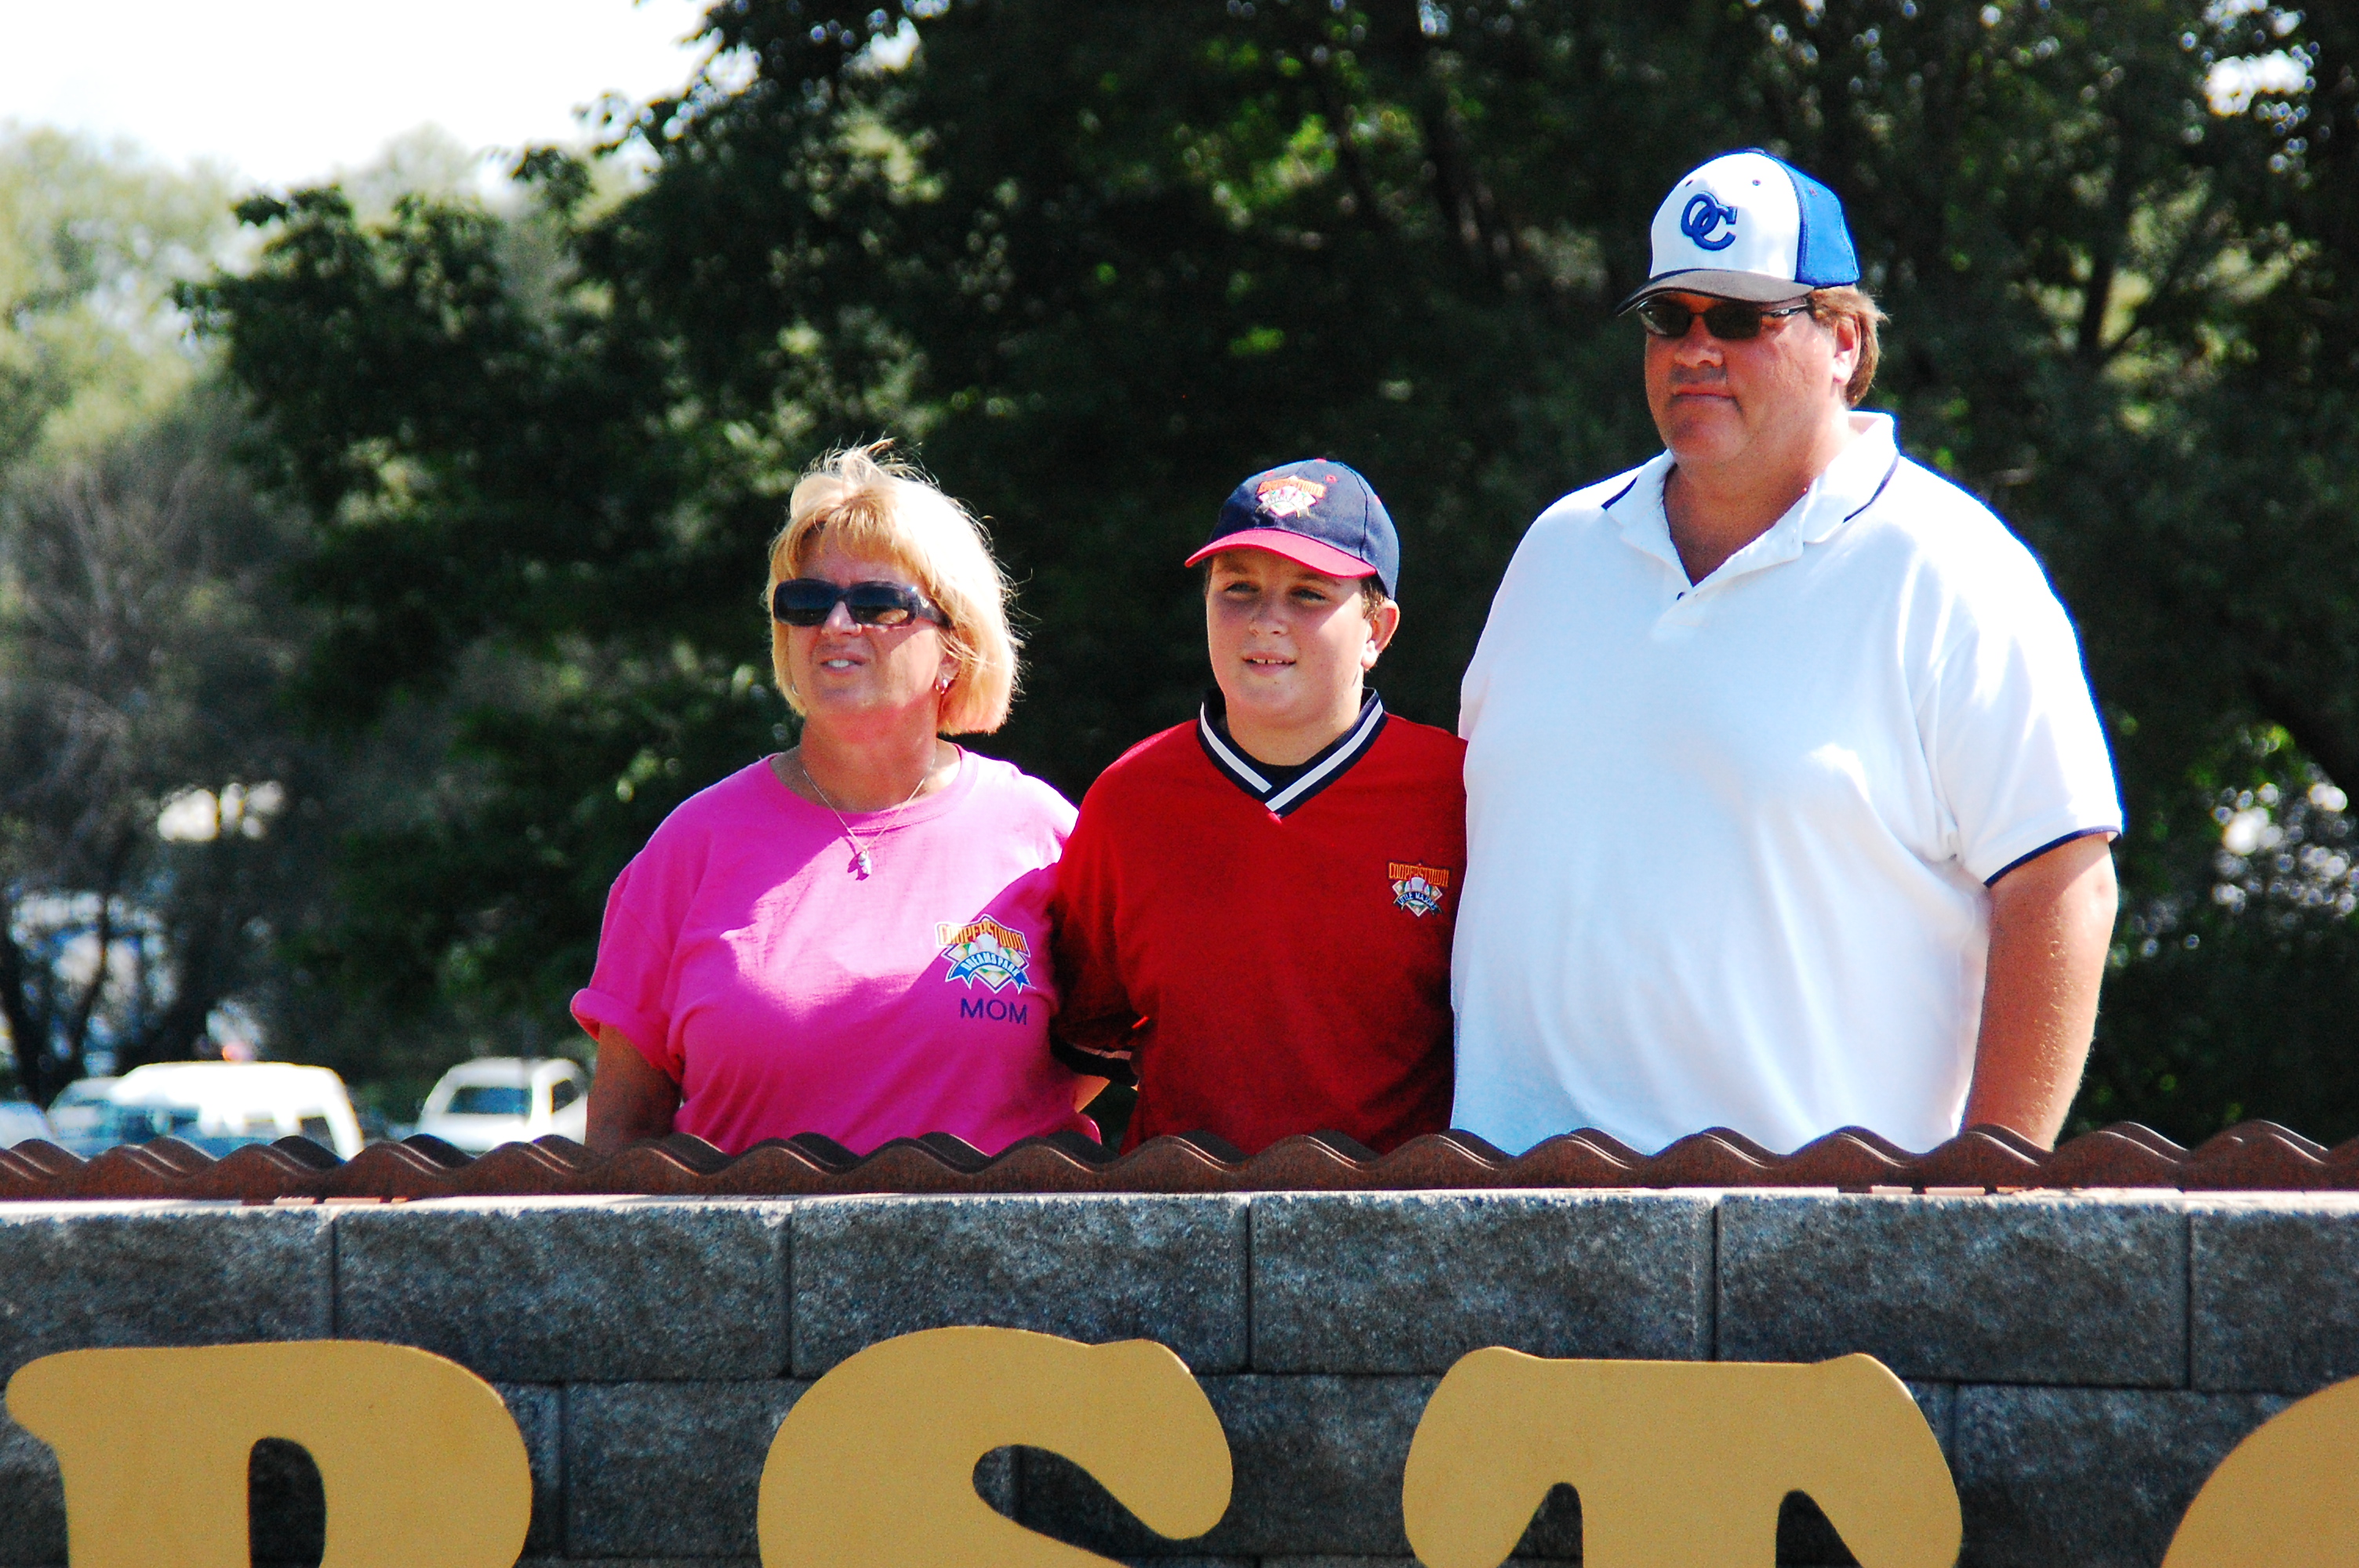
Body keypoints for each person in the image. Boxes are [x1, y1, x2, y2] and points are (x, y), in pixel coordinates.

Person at [1451, 150, 2122, 1157]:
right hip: (1495, 1201)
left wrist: (1985, 1190)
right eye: (1667, 316)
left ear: (1844, 340)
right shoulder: (1557, 547)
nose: (1694, 349)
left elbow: (2061, 883)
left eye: (1738, 317)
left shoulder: (1949, 566)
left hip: (1810, 1222)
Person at [574, 442, 1096, 1156]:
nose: (836, 626)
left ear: (955, 645)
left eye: (879, 604)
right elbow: (619, 1137)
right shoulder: (691, 846)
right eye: (807, 603)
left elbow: (1114, 1052)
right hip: (738, 1234)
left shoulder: (1044, 835)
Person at [1050, 459, 1464, 1155]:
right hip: (1180, 1209)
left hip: (1402, 1211)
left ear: (1377, 630)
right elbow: (1084, 1043)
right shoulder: (1129, 797)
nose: (1266, 621)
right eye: (1238, 588)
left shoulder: (1457, 791)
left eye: (1309, 594)